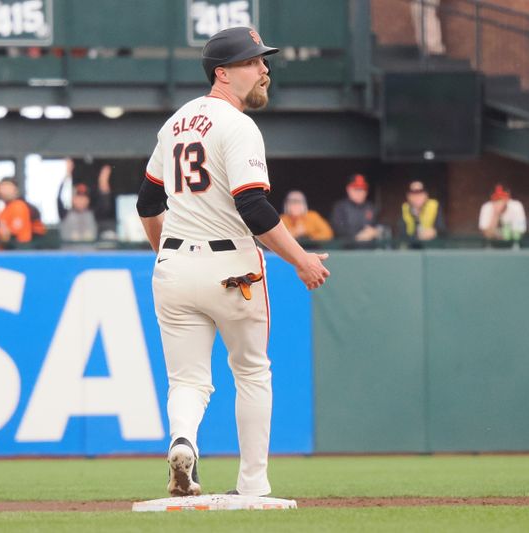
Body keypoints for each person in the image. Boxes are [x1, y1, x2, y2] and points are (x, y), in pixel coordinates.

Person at [137, 26, 329, 498]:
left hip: (175, 264)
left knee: (187, 380)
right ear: (222, 73)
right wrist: (300, 259)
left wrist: (166, 251)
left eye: (263, 60)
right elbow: (254, 207)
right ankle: (253, 485)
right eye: (253, 61)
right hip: (232, 266)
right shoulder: (238, 125)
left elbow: (147, 202)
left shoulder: (177, 122)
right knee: (251, 372)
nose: (264, 68)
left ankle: (183, 442)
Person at [330, 174, 381, 246]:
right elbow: (337, 229)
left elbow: (381, 227)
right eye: (356, 189)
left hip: (369, 251)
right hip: (346, 251)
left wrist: (375, 232)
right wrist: (358, 237)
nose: (359, 192)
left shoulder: (371, 207)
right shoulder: (340, 207)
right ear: (348, 190)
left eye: (363, 189)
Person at [0, 177, 46, 245]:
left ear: (15, 190)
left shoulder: (19, 206)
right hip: (9, 248)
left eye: (8, 188)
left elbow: (14, 234)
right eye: (2, 188)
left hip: (22, 248)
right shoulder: (2, 211)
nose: (4, 191)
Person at [397, 180, 445, 245]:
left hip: (431, 246)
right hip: (410, 248)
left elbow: (442, 230)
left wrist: (434, 232)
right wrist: (417, 236)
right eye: (413, 193)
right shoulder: (405, 208)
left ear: (426, 195)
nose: (417, 196)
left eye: (420, 192)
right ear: (408, 196)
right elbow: (401, 233)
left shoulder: (434, 205)